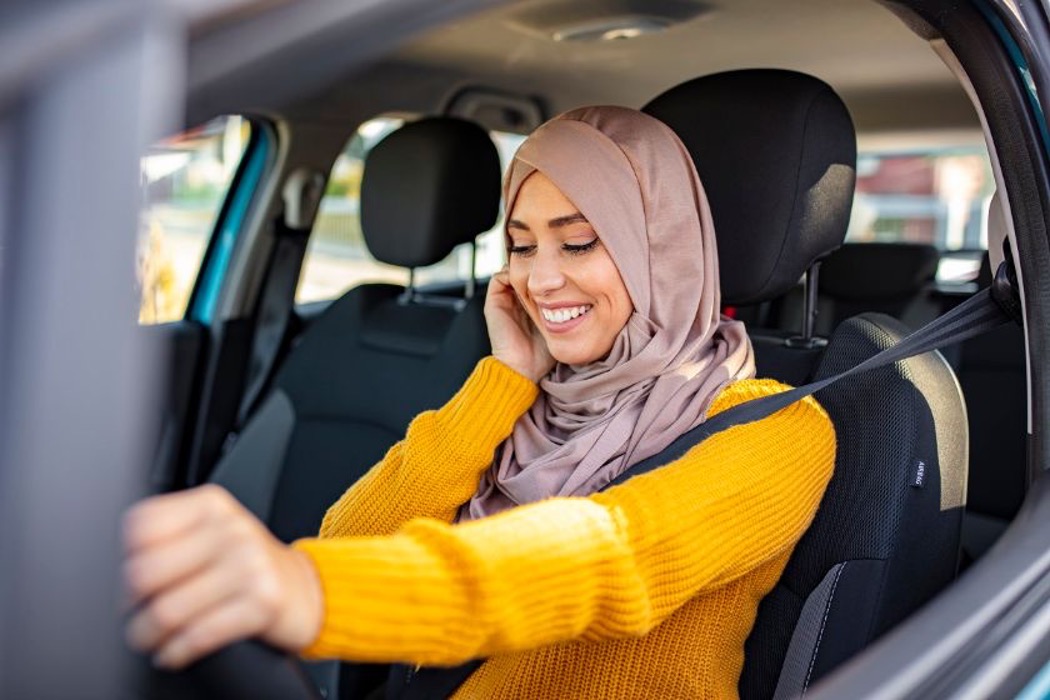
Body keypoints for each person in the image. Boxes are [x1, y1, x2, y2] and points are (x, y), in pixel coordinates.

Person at [123, 106, 836, 698]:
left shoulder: (774, 428)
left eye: (580, 243)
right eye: (521, 247)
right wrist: (503, 380)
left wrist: (305, 589)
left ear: (663, 249)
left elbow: (615, 556)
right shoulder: (524, 403)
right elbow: (349, 540)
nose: (542, 280)